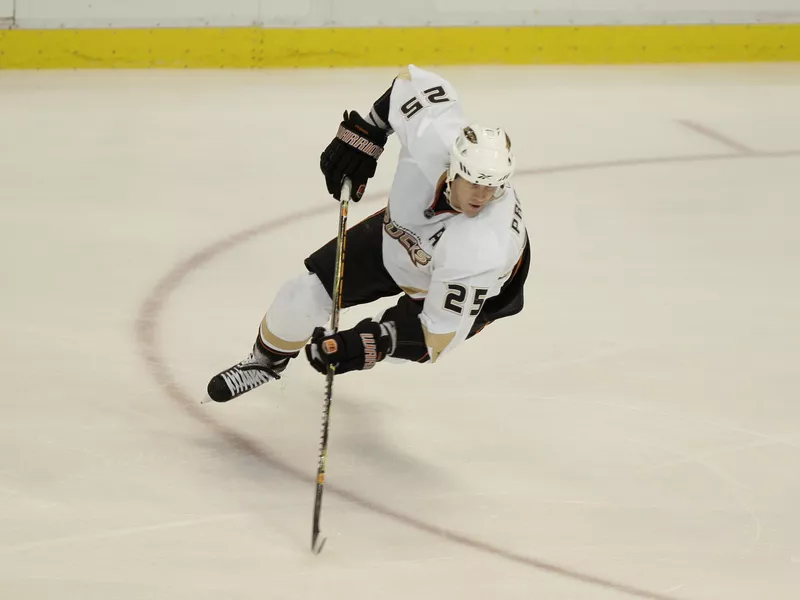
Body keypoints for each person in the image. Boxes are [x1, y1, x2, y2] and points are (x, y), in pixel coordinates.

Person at [206, 64, 530, 403]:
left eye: (492, 186)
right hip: (401, 235)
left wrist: (367, 343)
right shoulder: (433, 134)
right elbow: (408, 84)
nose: (482, 195)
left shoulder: (481, 251)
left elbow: (438, 336)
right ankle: (263, 363)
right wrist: (367, 134)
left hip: (473, 284)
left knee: (389, 334)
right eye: (475, 182)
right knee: (299, 296)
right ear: (454, 168)